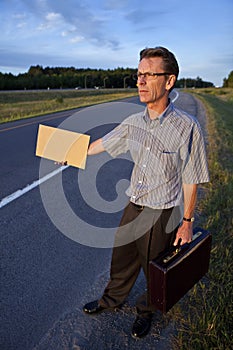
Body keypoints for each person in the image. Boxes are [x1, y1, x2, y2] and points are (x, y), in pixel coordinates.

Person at [82, 46, 209, 338]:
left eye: (149, 74)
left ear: (169, 81)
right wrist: (71, 152)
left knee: (154, 268)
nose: (140, 81)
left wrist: (187, 222)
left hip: (160, 211)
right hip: (134, 203)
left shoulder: (186, 127)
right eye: (139, 74)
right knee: (122, 258)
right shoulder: (134, 122)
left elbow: (192, 179)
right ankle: (111, 299)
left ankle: (147, 311)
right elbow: (104, 142)